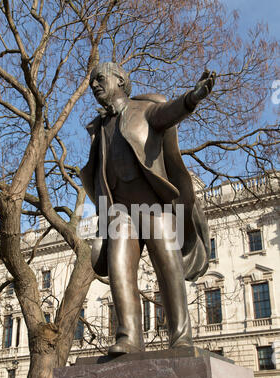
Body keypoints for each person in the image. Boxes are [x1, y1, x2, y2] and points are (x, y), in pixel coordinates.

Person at [80, 62, 216, 356]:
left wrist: (192, 98)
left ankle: (180, 338)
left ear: (120, 80)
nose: (94, 85)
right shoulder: (99, 127)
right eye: (91, 82)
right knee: (119, 270)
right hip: (120, 214)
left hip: (153, 207)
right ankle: (128, 338)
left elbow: (169, 113)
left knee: (169, 268)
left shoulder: (145, 110)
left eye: (99, 79)